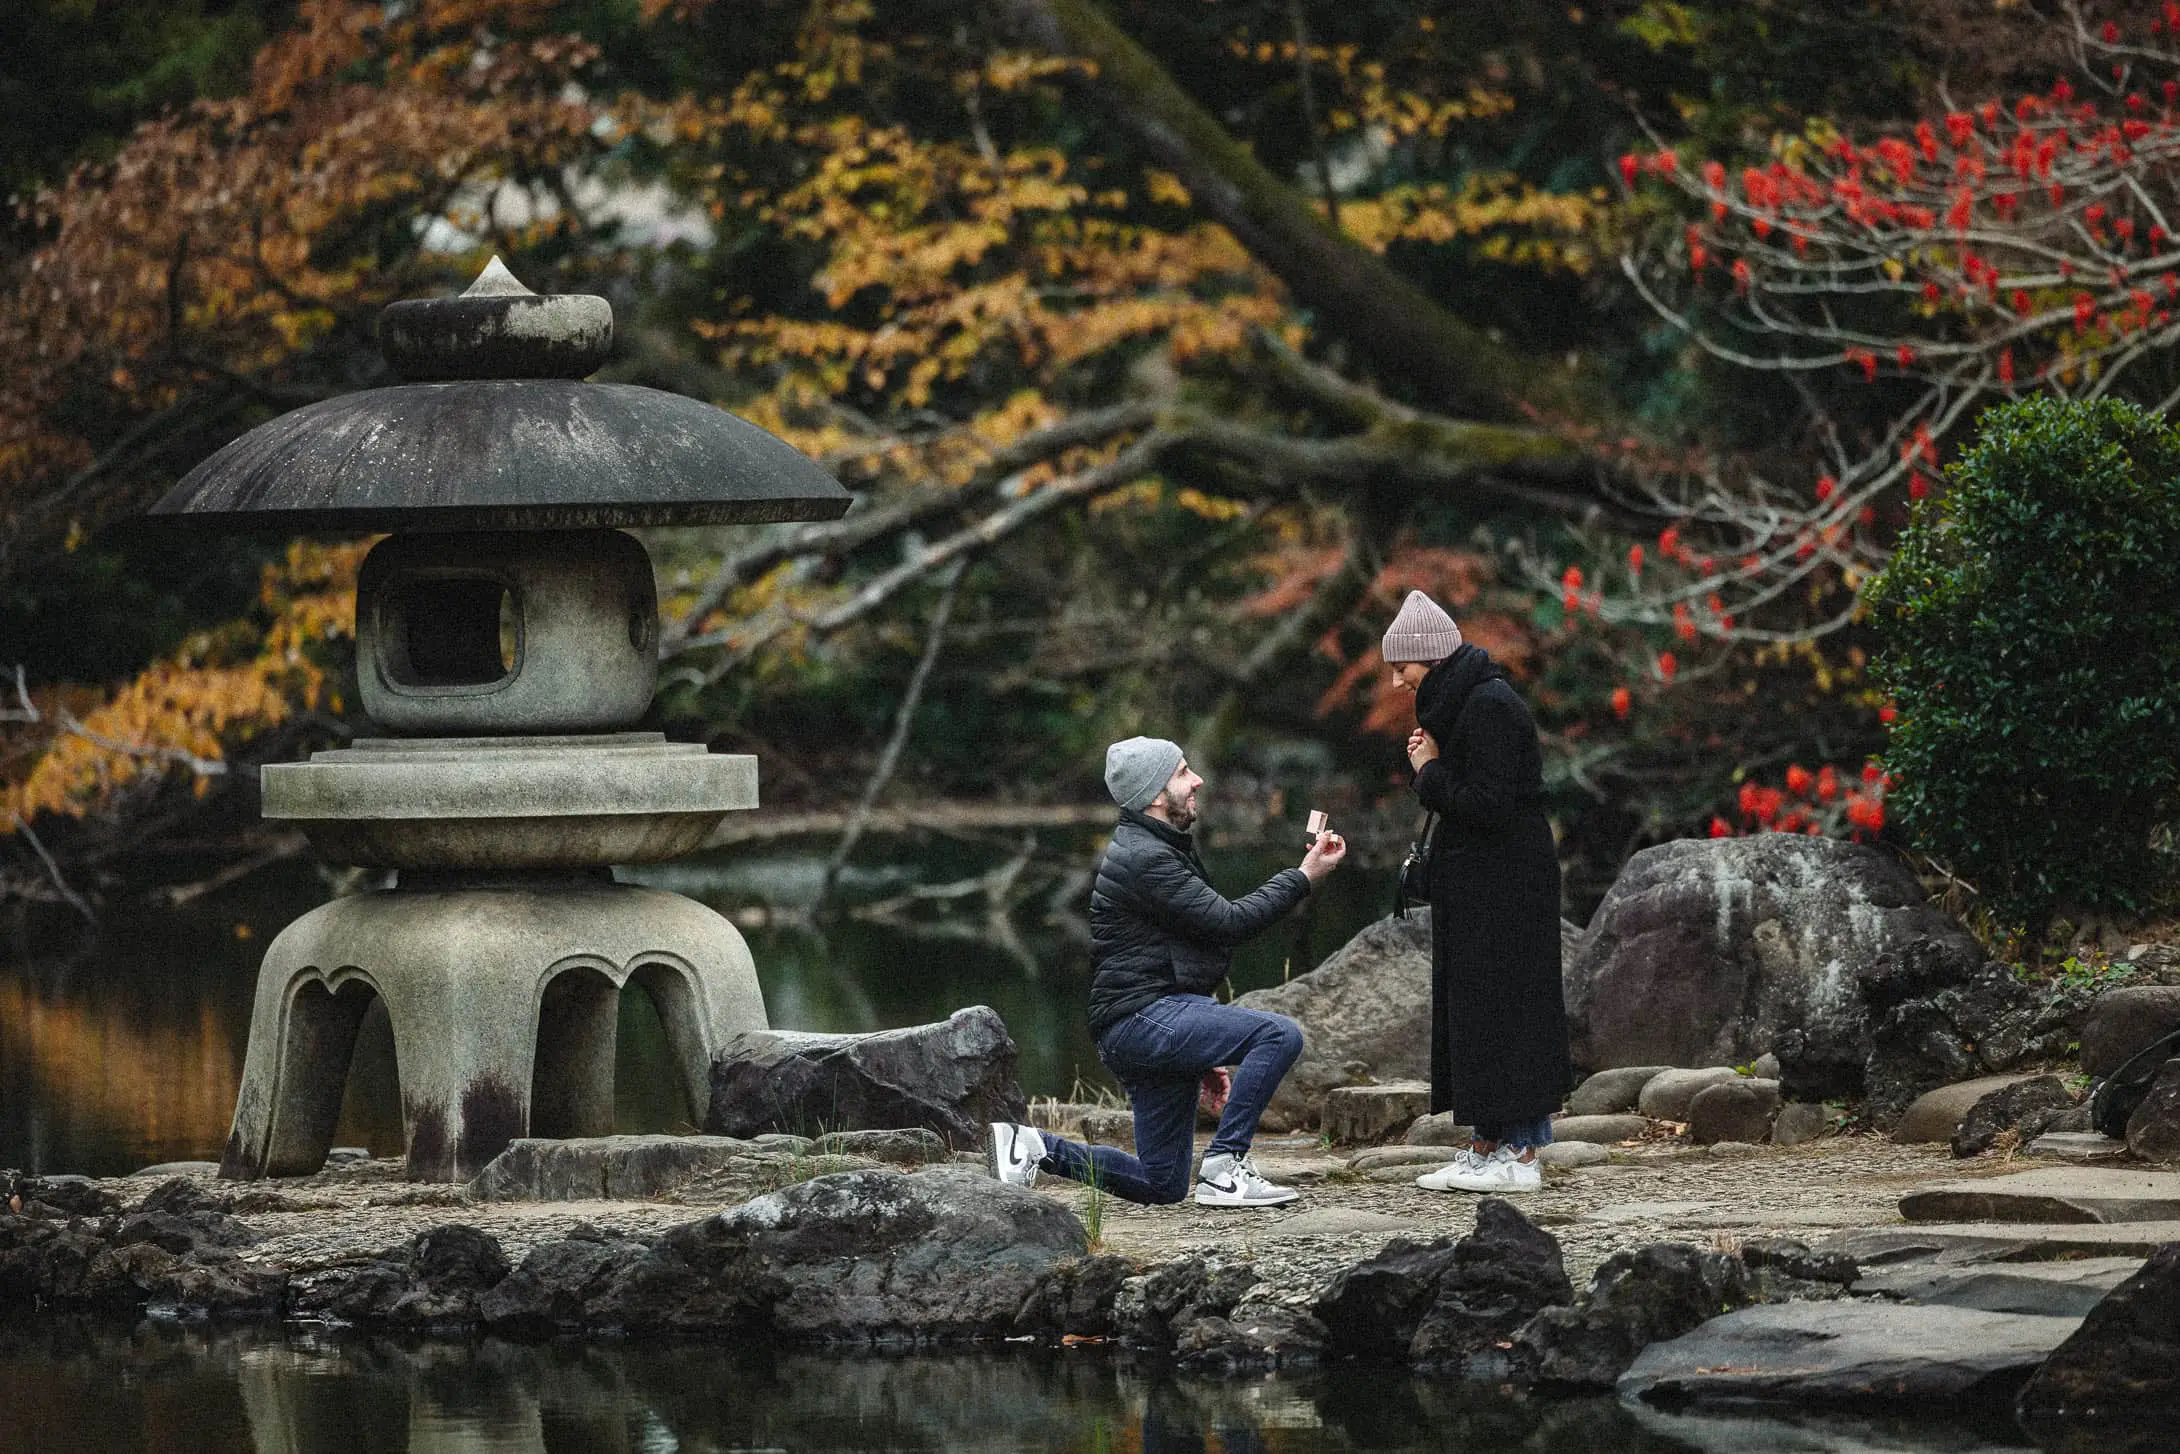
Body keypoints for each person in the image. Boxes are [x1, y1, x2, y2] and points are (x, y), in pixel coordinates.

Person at [987, 736, 1346, 1207]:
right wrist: (1303, 876)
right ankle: (1225, 1168)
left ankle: (1032, 1146)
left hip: (1142, 1022)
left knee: (1162, 1183)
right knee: (1278, 1035)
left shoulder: (1156, 845)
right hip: (1139, 1021)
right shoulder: (1148, 858)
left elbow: (1182, 952)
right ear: (1156, 794)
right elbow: (1228, 923)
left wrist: (1198, 1051)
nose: (1196, 779)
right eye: (1182, 772)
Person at [1381, 590, 1572, 1194]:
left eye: (1402, 666)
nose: (1394, 681)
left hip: (1507, 886)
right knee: (1477, 1011)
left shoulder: (1487, 705)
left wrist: (1430, 774)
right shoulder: (1461, 703)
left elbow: (1488, 806)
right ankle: (1487, 1144)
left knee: (1505, 1009)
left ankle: (1519, 1154)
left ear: (1430, 657)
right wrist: (1433, 769)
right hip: (1483, 883)